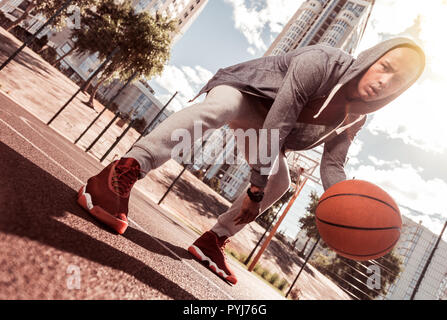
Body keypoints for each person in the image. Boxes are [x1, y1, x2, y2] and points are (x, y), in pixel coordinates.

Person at [77, 37, 425, 285]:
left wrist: (347, 206)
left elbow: (333, 166)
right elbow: (281, 118)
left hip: (265, 126)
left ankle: (213, 240)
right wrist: (255, 189)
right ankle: (122, 171)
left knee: (282, 182)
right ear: (370, 58)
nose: (384, 82)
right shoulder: (322, 61)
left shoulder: (354, 118)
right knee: (220, 108)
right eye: (385, 67)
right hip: (247, 92)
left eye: (397, 82)